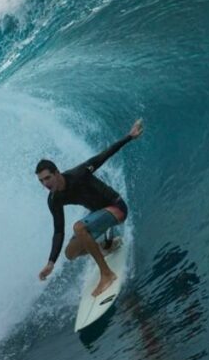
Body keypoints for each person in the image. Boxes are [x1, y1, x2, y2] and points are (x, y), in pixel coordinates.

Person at [36, 119, 144, 296]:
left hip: (116, 208)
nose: (45, 184)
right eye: (41, 181)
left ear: (57, 173)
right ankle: (107, 246)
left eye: (47, 178)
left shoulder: (78, 174)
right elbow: (58, 231)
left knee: (79, 227)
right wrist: (51, 263)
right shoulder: (54, 199)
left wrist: (129, 137)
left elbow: (104, 155)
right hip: (99, 214)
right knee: (70, 253)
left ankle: (107, 274)